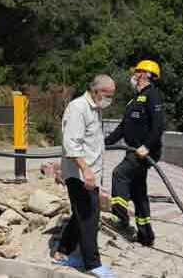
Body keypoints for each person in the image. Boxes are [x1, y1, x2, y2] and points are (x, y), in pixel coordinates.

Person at [54, 74, 117, 278]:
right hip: (79, 174)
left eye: (111, 95)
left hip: (90, 174)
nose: (109, 99)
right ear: (96, 90)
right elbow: (71, 143)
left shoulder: (95, 109)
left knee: (82, 212)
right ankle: (92, 263)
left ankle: (62, 251)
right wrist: (86, 170)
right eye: (107, 94)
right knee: (90, 216)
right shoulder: (78, 108)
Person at [105, 60, 166, 247]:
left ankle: (120, 217)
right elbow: (123, 127)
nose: (133, 75)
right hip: (133, 151)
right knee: (139, 192)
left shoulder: (152, 96)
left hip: (143, 152)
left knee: (119, 174)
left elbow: (158, 125)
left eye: (136, 72)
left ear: (145, 75)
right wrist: (103, 144)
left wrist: (147, 147)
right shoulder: (134, 99)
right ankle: (146, 235)